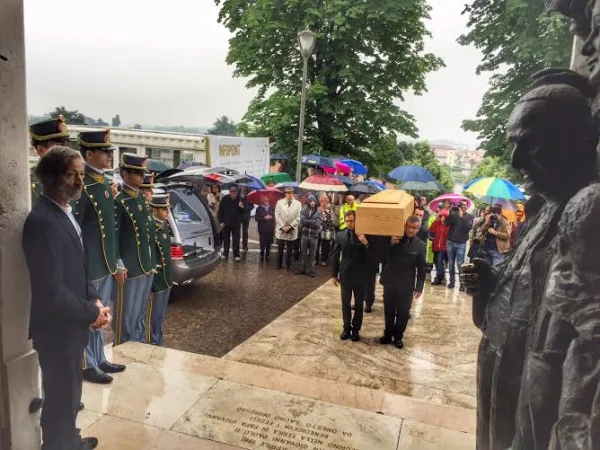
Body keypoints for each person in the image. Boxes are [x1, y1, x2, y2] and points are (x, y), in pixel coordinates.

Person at [460, 68, 600, 450]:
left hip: (536, 385)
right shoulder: (542, 210)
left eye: (531, 144)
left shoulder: (587, 214)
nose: (516, 159)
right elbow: (520, 283)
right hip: (500, 358)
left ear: (577, 142)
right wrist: (489, 283)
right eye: (513, 143)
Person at [22, 146, 105, 450]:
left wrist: (95, 300)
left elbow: (78, 269)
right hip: (57, 330)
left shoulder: (64, 213)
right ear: (52, 177)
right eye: (72, 175)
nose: (79, 181)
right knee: (60, 399)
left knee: (70, 395)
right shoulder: (42, 222)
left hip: (71, 325)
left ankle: (70, 440)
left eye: (81, 174)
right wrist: (89, 313)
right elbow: (50, 291)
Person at [74, 130, 126, 385]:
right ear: (89, 153)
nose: (109, 156)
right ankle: (88, 363)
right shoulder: (82, 186)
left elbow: (111, 229)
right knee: (89, 315)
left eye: (109, 152)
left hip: (104, 262)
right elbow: (76, 229)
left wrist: (116, 260)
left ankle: (99, 357)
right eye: (104, 152)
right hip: (89, 263)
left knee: (101, 313)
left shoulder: (104, 183)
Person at [113, 153, 156, 345]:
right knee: (126, 316)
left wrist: (152, 260)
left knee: (139, 312)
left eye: (142, 173)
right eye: (137, 173)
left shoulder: (140, 198)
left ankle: (137, 347)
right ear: (125, 174)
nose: (141, 177)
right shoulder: (119, 201)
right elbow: (113, 236)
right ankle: (123, 350)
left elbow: (148, 233)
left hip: (146, 265)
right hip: (129, 267)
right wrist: (118, 263)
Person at [379, 216, 426, 349]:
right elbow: (383, 256)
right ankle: (387, 334)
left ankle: (398, 336)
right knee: (389, 310)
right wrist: (391, 244)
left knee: (403, 312)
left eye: (414, 228)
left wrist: (419, 287)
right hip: (390, 281)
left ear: (418, 229)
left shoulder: (421, 246)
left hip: (407, 284)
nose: (411, 230)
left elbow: (422, 268)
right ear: (405, 226)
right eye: (409, 227)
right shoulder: (394, 239)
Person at [331, 210, 369, 342]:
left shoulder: (364, 235)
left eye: (351, 221)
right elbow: (335, 255)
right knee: (345, 303)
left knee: (359, 305)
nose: (349, 223)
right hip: (345, 275)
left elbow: (372, 256)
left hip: (360, 275)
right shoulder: (340, 235)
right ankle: (346, 328)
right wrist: (333, 274)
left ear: (356, 220)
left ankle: (356, 330)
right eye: (347, 221)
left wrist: (366, 243)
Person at [145, 194, 173, 346]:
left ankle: (158, 339)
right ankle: (152, 341)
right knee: (153, 314)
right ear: (155, 210)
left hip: (166, 277)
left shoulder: (164, 226)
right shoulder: (151, 228)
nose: (167, 213)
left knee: (161, 314)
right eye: (164, 210)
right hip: (157, 277)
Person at [29, 115, 71, 204]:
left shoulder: (75, 180)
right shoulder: (28, 184)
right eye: (60, 146)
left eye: (66, 145)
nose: (66, 150)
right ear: (41, 150)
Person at [445, 201, 474, 290]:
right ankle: (451, 282)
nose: (463, 206)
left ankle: (462, 284)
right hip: (450, 242)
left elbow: (468, 227)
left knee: (460, 264)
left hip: (461, 243)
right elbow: (447, 223)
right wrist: (450, 213)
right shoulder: (454, 214)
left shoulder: (470, 217)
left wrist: (462, 217)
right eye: (461, 205)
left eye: (464, 205)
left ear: (467, 206)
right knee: (450, 264)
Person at [275, 187, 302, 270]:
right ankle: (279, 264)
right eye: (287, 193)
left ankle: (289, 265)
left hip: (292, 229)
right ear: (285, 194)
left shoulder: (298, 203)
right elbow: (277, 215)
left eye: (291, 193)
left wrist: (290, 226)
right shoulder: (279, 202)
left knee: (290, 249)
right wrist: (283, 227)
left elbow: (298, 217)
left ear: (293, 194)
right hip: (281, 229)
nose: (289, 195)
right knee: (280, 248)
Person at [218, 184, 245, 262]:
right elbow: (220, 211)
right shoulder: (225, 198)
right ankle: (225, 253)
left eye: (235, 191)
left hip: (236, 223)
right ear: (229, 191)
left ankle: (236, 255)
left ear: (237, 191)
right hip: (226, 223)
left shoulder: (240, 199)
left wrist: (242, 207)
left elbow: (244, 212)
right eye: (231, 191)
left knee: (236, 240)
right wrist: (221, 221)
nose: (233, 192)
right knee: (226, 240)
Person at [297, 194, 321, 277]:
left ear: (316, 202)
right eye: (311, 201)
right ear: (309, 202)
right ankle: (302, 269)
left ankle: (310, 270)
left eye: (314, 201)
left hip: (314, 236)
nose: (312, 203)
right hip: (305, 234)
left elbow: (318, 224)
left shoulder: (319, 211)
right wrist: (313, 221)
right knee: (303, 253)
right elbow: (302, 220)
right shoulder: (304, 210)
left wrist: (309, 221)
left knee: (312, 254)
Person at [429, 209, 450, 285]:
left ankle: (438, 278)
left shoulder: (449, 226)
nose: (443, 218)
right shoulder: (436, 223)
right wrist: (433, 239)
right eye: (442, 216)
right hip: (435, 246)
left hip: (444, 247)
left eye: (445, 216)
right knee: (436, 262)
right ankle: (440, 276)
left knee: (440, 262)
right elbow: (430, 233)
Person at [255, 194, 275, 261]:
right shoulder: (259, 209)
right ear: (262, 201)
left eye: (267, 200)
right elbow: (256, 218)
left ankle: (268, 254)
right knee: (262, 242)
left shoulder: (271, 208)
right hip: (262, 229)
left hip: (270, 228)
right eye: (265, 200)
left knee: (269, 242)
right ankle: (262, 253)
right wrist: (264, 218)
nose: (267, 201)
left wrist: (272, 217)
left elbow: (275, 216)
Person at [316, 194, 334, 266]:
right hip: (318, 229)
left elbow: (332, 219)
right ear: (320, 201)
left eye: (325, 201)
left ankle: (324, 259)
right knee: (316, 245)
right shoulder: (317, 209)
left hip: (326, 230)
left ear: (328, 202)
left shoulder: (329, 209)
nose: (324, 202)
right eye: (322, 201)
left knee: (325, 246)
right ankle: (315, 259)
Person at [240, 186, 254, 254]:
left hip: (246, 216)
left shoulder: (249, 195)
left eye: (245, 187)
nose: (244, 188)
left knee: (245, 231)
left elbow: (252, 206)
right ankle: (236, 244)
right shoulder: (238, 194)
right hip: (238, 216)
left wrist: (244, 207)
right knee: (236, 231)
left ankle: (245, 244)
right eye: (243, 187)